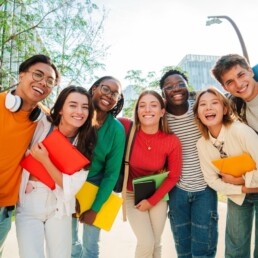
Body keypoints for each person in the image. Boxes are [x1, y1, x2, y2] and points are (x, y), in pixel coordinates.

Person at [15, 86, 97, 258]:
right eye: (73, 105)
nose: (79, 112)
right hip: (30, 200)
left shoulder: (85, 141)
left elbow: (70, 187)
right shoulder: (42, 124)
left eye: (84, 107)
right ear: (60, 109)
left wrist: (44, 159)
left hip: (59, 206)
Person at [0, 54, 59, 257]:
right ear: (22, 74)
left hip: (6, 207)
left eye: (50, 81)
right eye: (38, 74)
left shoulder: (43, 119)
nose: (43, 83)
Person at [193, 86, 258, 258]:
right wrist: (245, 188)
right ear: (197, 113)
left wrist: (240, 180)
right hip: (238, 196)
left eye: (215, 103)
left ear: (225, 108)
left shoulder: (240, 131)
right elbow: (212, 181)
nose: (208, 108)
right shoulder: (202, 144)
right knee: (235, 249)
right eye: (203, 104)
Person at [160, 69, 218, 257]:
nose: (176, 89)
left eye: (180, 84)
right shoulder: (161, 119)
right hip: (177, 190)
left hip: (206, 188)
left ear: (187, 87)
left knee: (204, 248)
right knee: (183, 249)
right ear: (163, 93)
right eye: (169, 87)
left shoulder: (200, 110)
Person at [120, 90, 182, 258]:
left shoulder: (171, 140)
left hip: (157, 192)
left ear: (162, 111)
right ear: (137, 110)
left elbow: (173, 176)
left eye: (153, 105)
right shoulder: (126, 127)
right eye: (142, 105)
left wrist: (152, 200)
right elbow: (101, 119)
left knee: (156, 242)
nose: (147, 110)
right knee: (146, 242)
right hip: (132, 194)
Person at [71, 76, 126, 258]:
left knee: (91, 246)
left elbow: (111, 174)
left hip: (96, 187)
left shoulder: (116, 130)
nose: (109, 95)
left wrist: (94, 209)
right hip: (67, 184)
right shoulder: (78, 116)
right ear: (94, 88)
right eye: (105, 89)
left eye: (115, 93)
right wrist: (69, 195)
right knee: (70, 243)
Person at [211, 54, 258, 132]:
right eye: (230, 82)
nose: (238, 84)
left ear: (251, 71)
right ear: (225, 88)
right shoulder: (235, 104)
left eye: (241, 75)